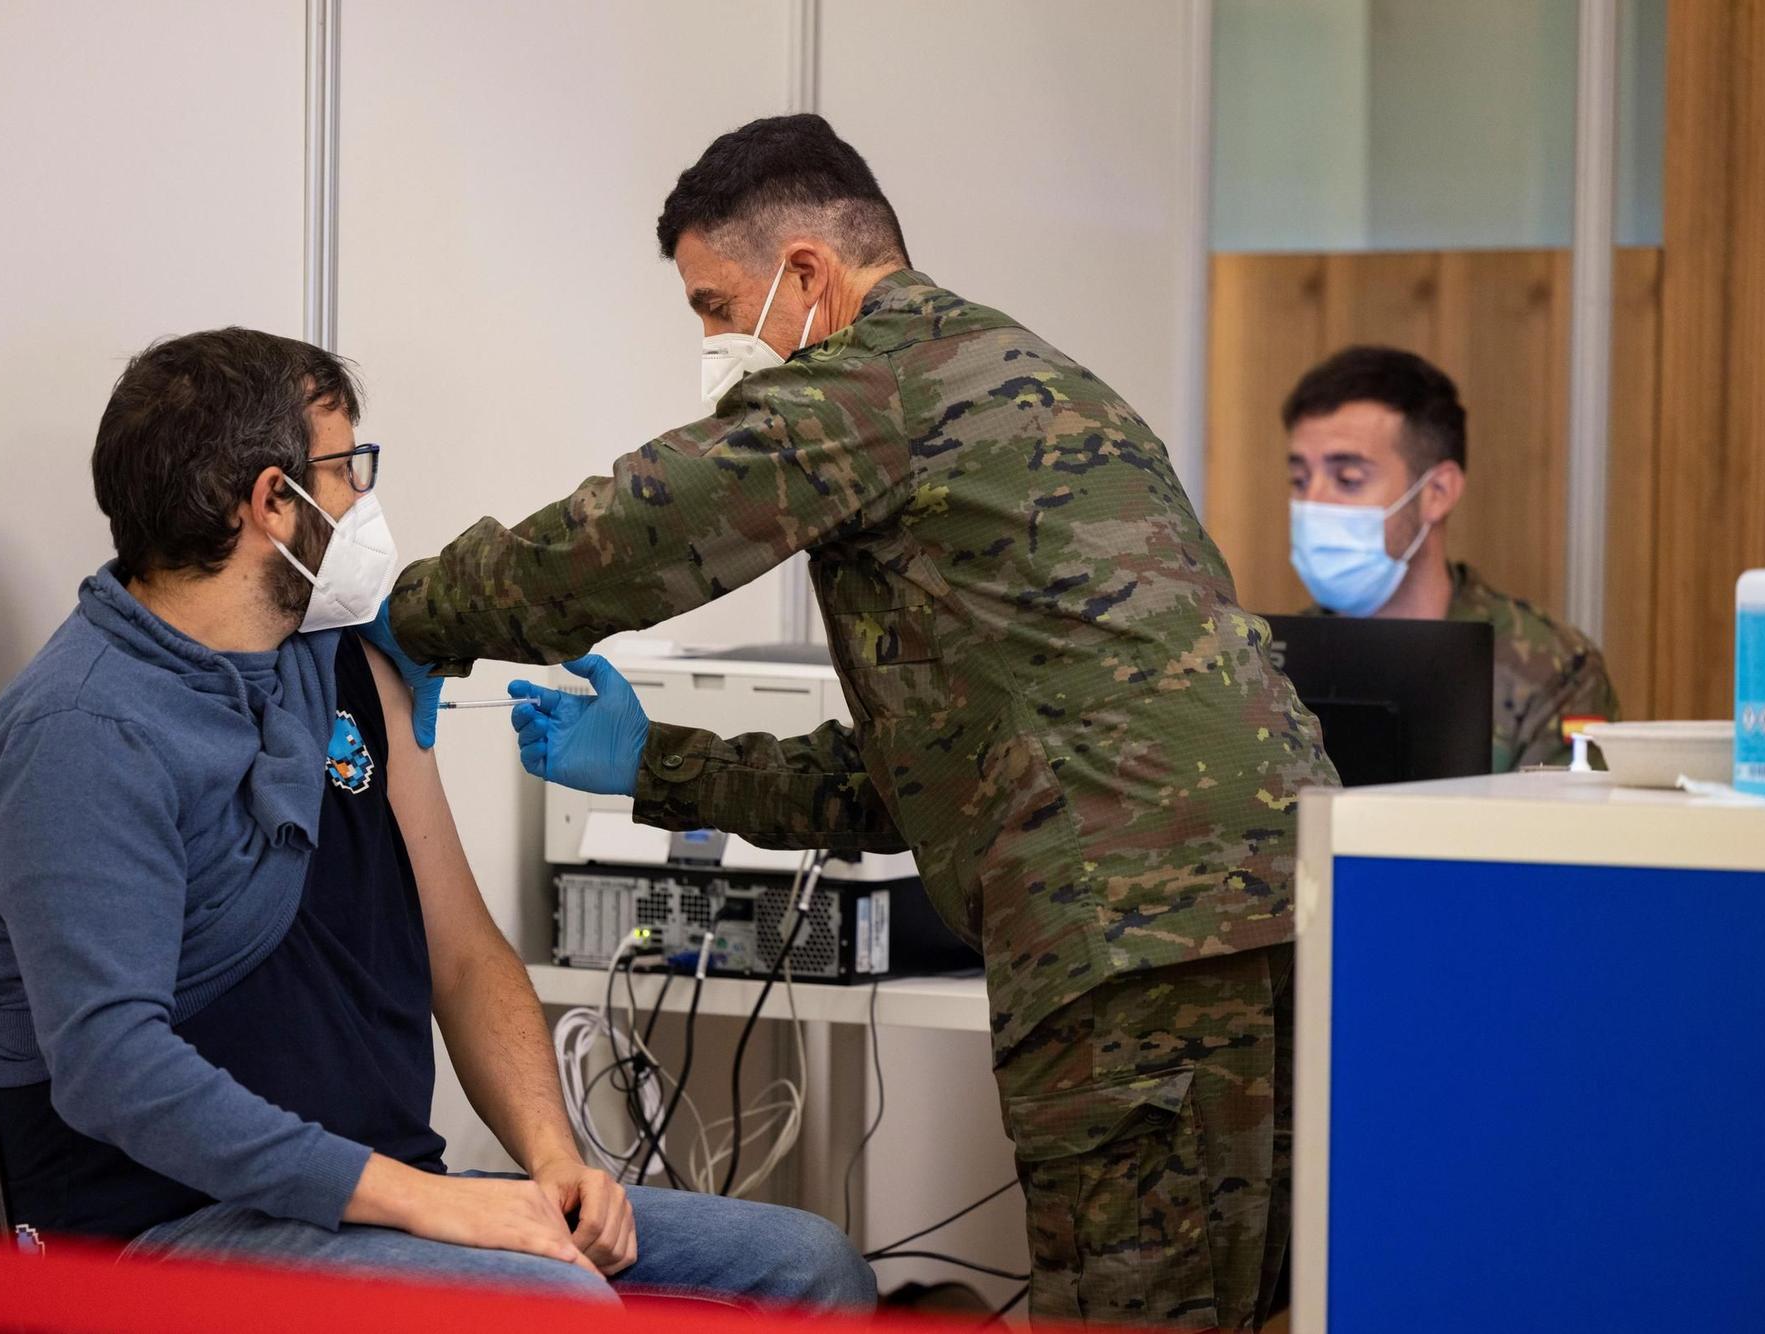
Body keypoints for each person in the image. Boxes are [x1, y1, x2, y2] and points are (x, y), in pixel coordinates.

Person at [361, 114, 1337, 1330]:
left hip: (1128, 938)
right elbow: (925, 777)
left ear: (808, 273)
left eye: (717, 305)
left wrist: (416, 612)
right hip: (1272, 922)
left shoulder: (877, 380)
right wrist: (659, 764)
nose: (717, 342)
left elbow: (635, 534)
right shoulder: (1026, 381)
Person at [0, 327, 872, 1310]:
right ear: (271, 501)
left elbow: (463, 951)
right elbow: (112, 1069)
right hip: (163, 1229)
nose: (362, 504)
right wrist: (432, 1206)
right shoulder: (83, 731)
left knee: (806, 1265)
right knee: (555, 1308)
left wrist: (554, 1161)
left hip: (375, 1201)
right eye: (347, 470)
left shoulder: (342, 662)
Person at [1283, 345, 1619, 770]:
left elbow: (1565, 830)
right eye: (1299, 479)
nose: (1313, 503)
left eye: (1348, 479)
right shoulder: (1268, 664)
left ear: (1437, 493)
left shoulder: (1549, 669)